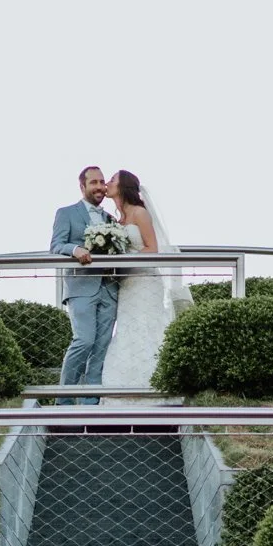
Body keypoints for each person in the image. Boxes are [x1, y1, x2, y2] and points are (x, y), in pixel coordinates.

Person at [101, 170, 191, 389]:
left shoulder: (140, 213)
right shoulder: (115, 220)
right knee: (127, 331)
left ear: (123, 187)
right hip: (126, 285)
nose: (107, 183)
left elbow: (152, 248)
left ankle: (155, 385)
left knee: (146, 328)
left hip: (145, 282)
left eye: (112, 180)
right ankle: (121, 388)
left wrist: (124, 261)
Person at [50, 166, 120, 404]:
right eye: (94, 182)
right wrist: (75, 249)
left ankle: (91, 405)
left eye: (102, 182)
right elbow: (56, 245)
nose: (99, 187)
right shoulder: (66, 213)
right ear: (82, 187)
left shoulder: (111, 219)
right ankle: (64, 401)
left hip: (109, 289)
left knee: (101, 347)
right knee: (84, 340)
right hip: (81, 287)